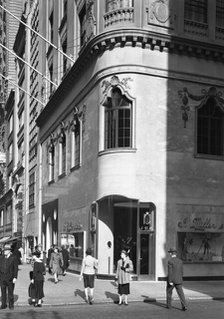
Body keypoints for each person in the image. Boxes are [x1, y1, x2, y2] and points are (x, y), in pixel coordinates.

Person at [0, 244, 18, 309]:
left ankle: (11, 305)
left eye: (5, 250)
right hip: (2, 277)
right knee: (3, 292)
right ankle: (3, 305)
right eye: (4, 250)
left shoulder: (13, 258)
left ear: (9, 251)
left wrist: (15, 277)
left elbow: (15, 268)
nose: (4, 251)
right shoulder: (1, 257)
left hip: (10, 278)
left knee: (10, 293)